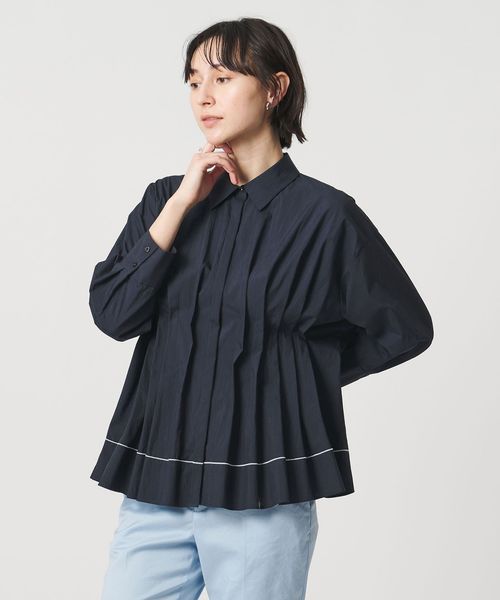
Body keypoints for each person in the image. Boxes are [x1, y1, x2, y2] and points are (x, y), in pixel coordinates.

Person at [89, 17, 434, 600]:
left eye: (222, 78)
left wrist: (305, 375)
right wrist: (182, 202)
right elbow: (113, 313)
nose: (204, 95)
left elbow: (405, 327)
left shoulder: (325, 216)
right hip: (157, 487)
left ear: (275, 89)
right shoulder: (165, 199)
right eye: (194, 80)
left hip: (264, 493)